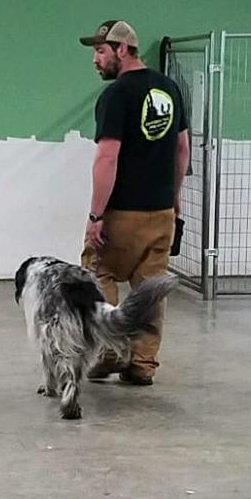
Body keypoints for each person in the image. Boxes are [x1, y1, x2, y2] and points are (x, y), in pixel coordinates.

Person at [79, 19, 189, 386]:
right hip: (160, 212)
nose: (95, 60)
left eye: (100, 51)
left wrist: (96, 215)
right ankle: (143, 362)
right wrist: (174, 199)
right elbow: (182, 147)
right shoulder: (170, 88)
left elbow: (107, 158)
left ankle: (111, 348)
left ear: (121, 50)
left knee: (99, 272)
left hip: (123, 211)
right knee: (151, 287)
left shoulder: (116, 95)